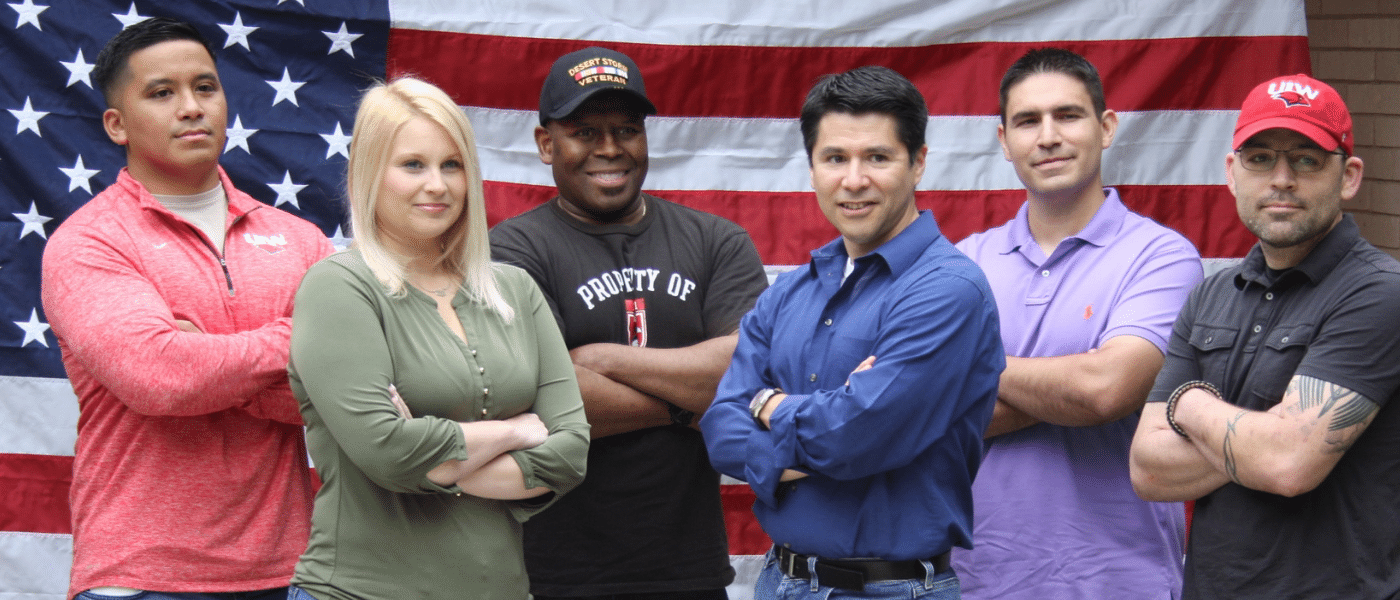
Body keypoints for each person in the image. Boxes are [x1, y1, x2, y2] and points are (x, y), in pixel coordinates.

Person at [39, 18, 333, 600]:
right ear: (116, 125)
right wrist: (300, 343)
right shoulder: (89, 242)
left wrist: (209, 360)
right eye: (161, 93)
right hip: (140, 576)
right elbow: (162, 379)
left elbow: (346, 395)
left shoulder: (302, 241)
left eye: (205, 87)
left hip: (294, 572)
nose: (192, 107)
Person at [701, 65, 1004, 600]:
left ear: (919, 163)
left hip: (893, 588)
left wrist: (770, 405)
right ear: (813, 167)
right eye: (835, 158)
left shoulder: (949, 290)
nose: (854, 179)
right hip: (779, 581)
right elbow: (721, 430)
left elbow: (859, 434)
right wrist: (837, 413)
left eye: (878, 157)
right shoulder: (788, 292)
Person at [283, 77, 590, 600]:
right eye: (413, 165)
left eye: (452, 165)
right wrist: (515, 431)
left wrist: (436, 455)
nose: (438, 185)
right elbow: (390, 456)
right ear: (368, 172)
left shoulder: (514, 288)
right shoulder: (337, 287)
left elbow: (571, 454)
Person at [490, 46, 767, 599]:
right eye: (585, 131)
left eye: (626, 129)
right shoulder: (512, 250)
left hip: (690, 570)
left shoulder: (716, 242)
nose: (610, 148)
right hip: (553, 573)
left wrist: (602, 360)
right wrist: (684, 405)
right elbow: (537, 393)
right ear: (547, 144)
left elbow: (747, 373)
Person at [1129, 74, 1400, 599]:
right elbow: (1148, 471)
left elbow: (1287, 465)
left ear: (1349, 177)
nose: (1281, 178)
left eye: (1306, 159)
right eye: (1260, 159)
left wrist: (1189, 405)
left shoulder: (1379, 294)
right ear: (1232, 173)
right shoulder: (1212, 295)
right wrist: (1264, 438)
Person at [951, 48, 1202, 598]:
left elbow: (1103, 391)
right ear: (1003, 141)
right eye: (1027, 121)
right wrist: (1058, 387)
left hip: (1118, 577)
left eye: (1067, 115)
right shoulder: (963, 263)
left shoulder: (1160, 256)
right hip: (974, 578)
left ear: (1106, 127)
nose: (1047, 137)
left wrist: (966, 367)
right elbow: (921, 408)